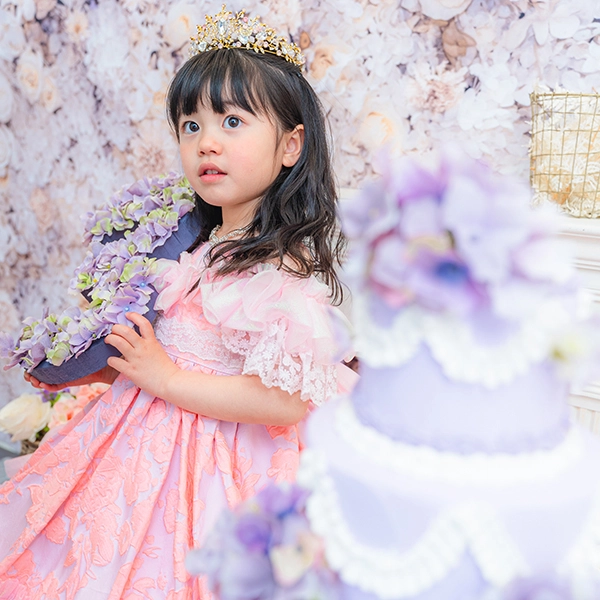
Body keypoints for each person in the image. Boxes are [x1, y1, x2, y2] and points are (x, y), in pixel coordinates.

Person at [0, 6, 355, 598]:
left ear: (291, 145)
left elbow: (283, 400)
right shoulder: (199, 243)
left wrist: (164, 378)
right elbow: (180, 340)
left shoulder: (279, 264)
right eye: (191, 126)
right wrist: (114, 362)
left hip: (220, 454)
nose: (206, 141)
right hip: (142, 439)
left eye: (233, 121)